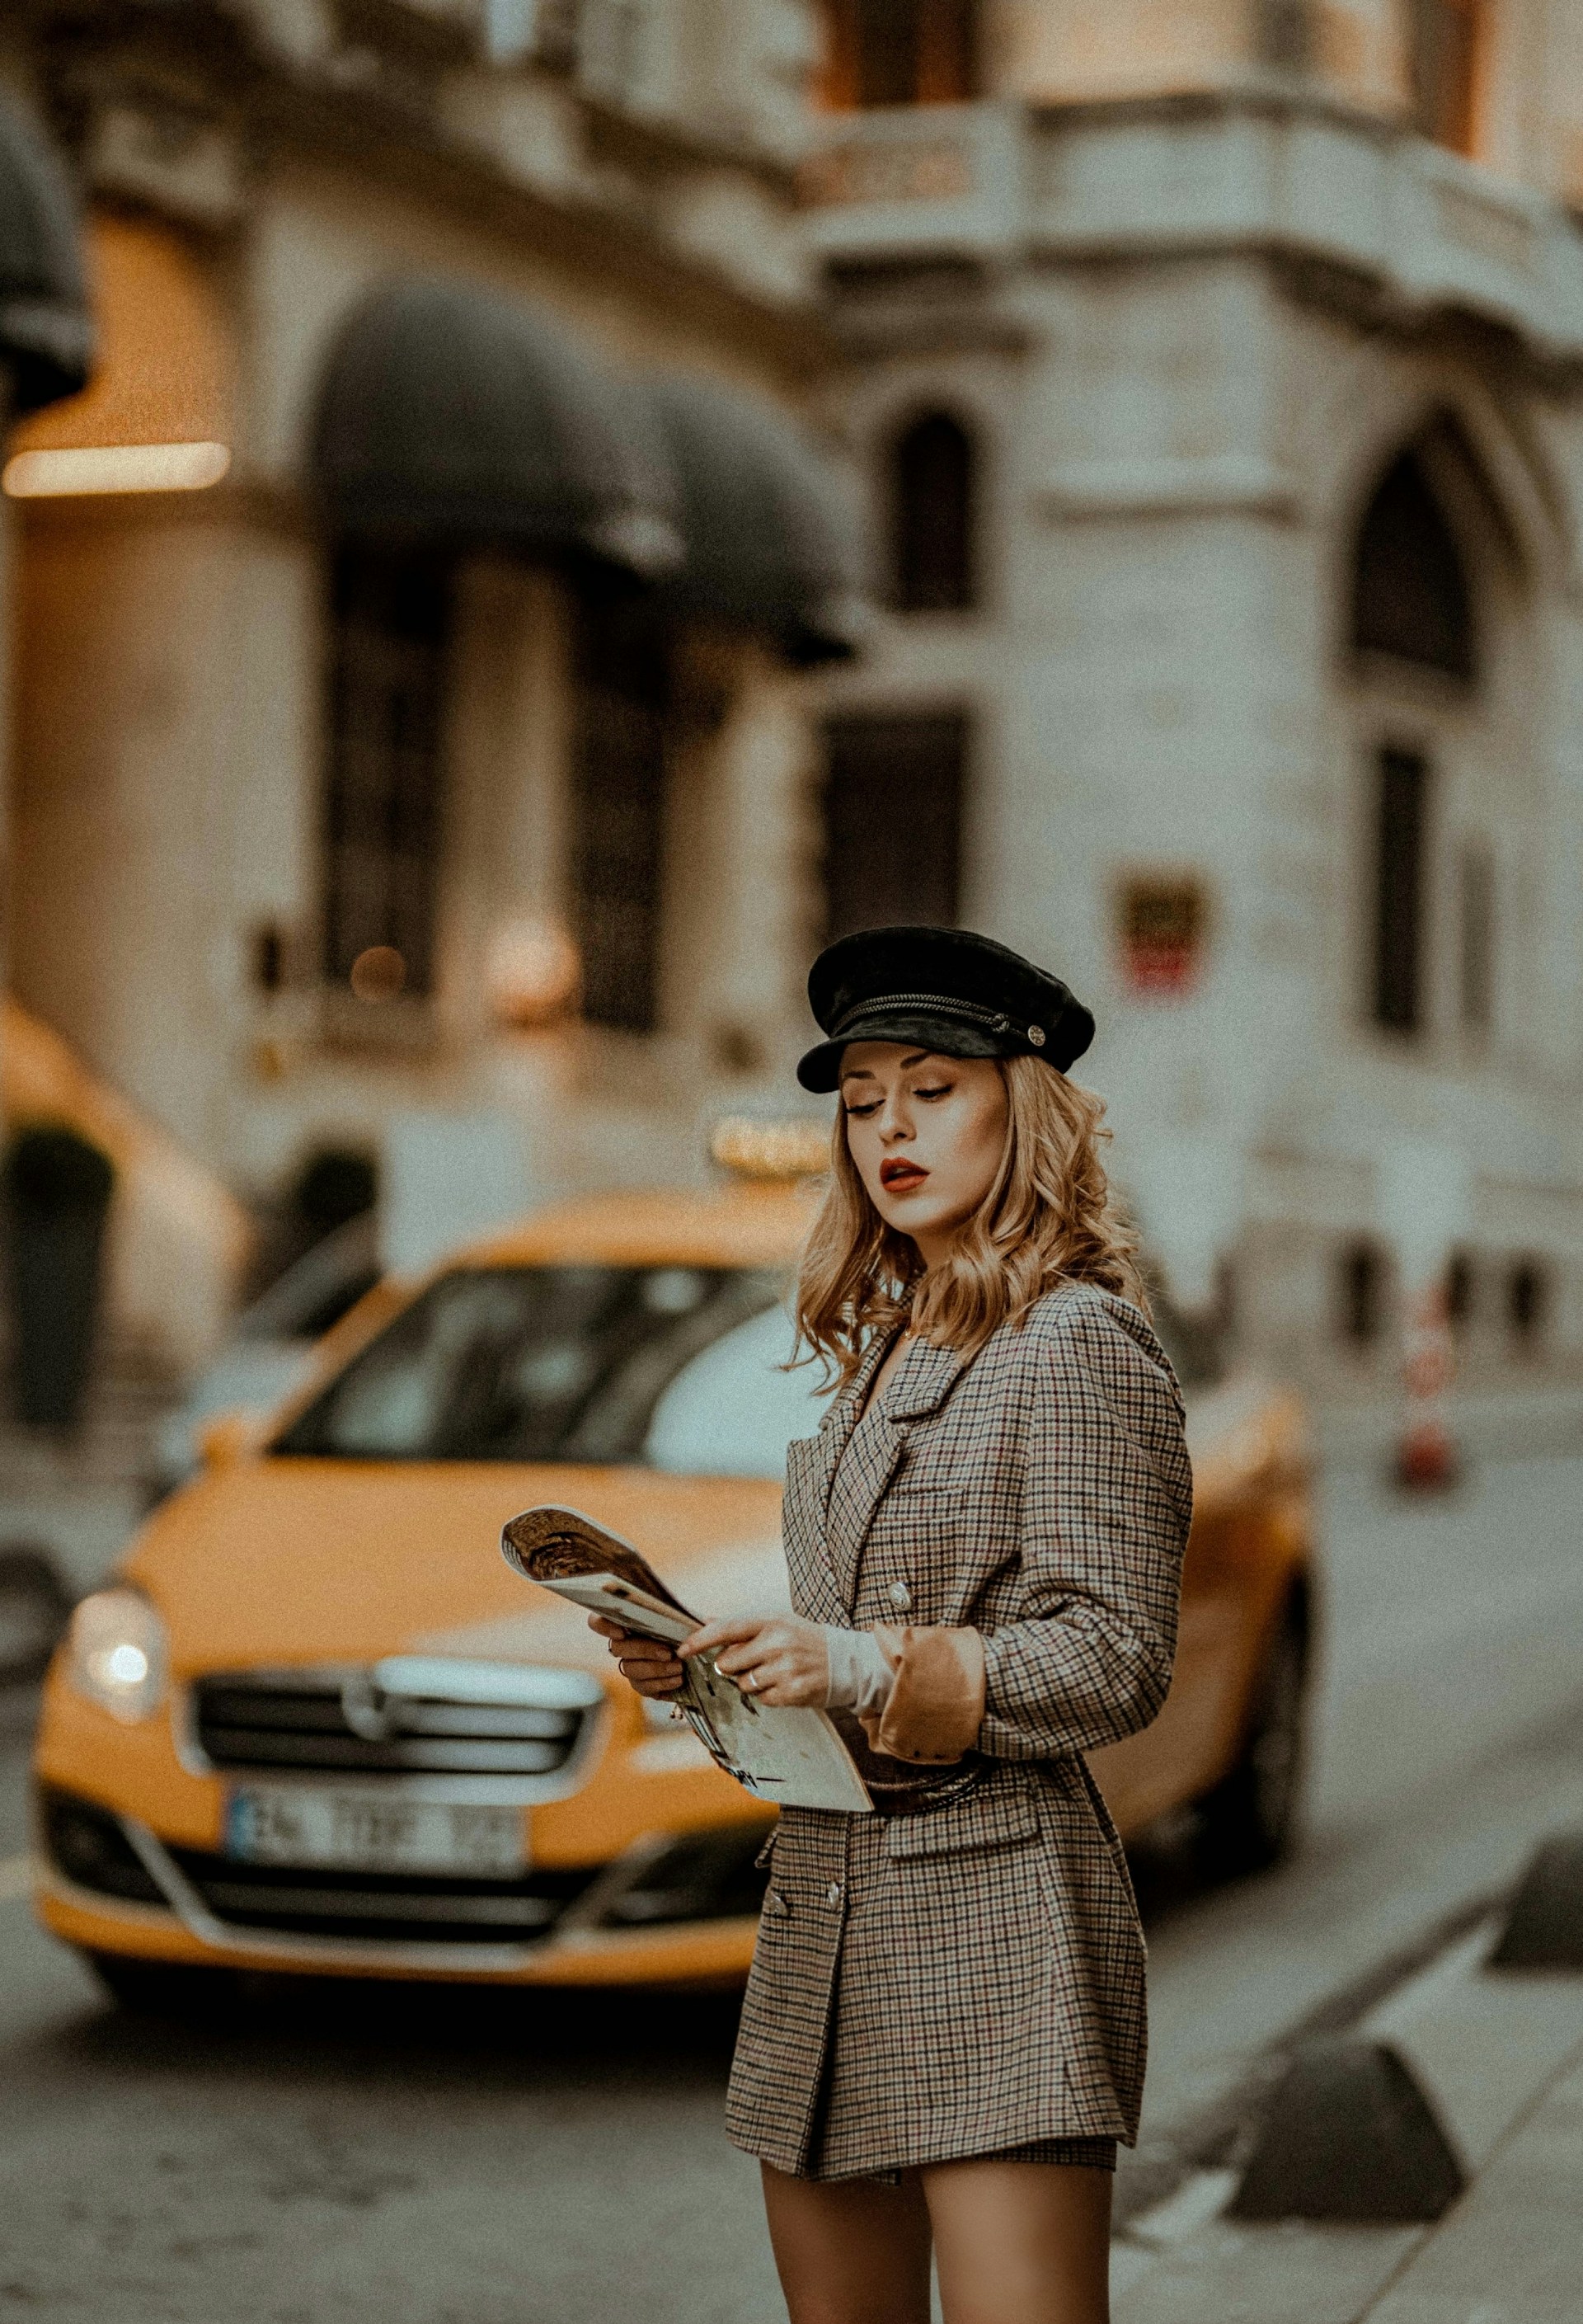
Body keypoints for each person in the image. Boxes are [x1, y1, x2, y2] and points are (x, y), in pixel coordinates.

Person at [594, 926, 1192, 2324]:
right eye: (860, 1102)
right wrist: (717, 1674)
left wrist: (861, 1659)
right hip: (827, 1913)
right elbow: (856, 1645)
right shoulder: (892, 1340)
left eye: (930, 1087)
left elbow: (1116, 1653)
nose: (887, 1130)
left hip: (995, 1918)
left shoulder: (1074, 1340)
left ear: (1021, 1099)